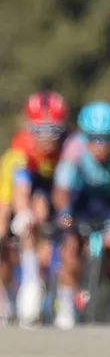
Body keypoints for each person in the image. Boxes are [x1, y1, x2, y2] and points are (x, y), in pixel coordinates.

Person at [52, 102, 110, 330]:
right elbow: (61, 188)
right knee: (71, 247)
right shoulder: (75, 146)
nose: (100, 146)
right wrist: (64, 214)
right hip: (83, 201)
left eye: (107, 139)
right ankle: (66, 302)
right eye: (94, 139)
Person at [0, 91, 70, 326]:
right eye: (40, 130)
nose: (47, 137)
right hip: (16, 194)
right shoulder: (19, 152)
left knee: (51, 219)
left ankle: (57, 290)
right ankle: (25, 284)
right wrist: (22, 214)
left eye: (54, 131)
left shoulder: (68, 147)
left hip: (51, 191)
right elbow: (16, 193)